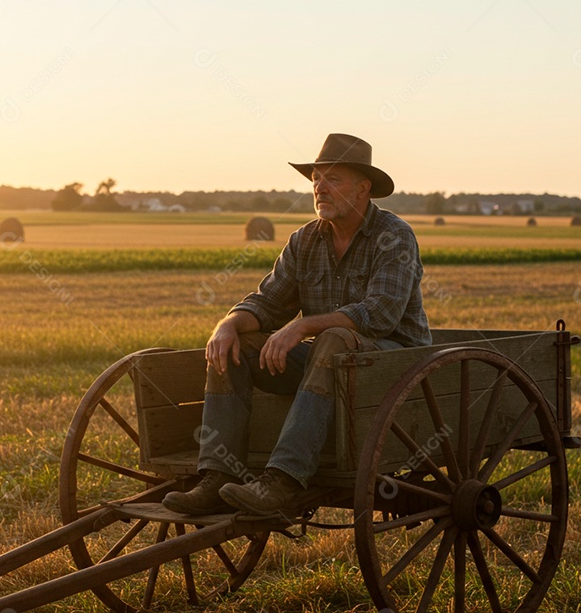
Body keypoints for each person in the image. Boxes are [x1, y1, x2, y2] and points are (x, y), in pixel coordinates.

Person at [162, 133, 431, 516]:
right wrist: (228, 324)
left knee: (335, 338)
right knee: (238, 343)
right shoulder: (305, 240)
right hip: (328, 364)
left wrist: (302, 328)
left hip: (393, 366)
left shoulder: (394, 236)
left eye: (333, 179)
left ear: (363, 188)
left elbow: (380, 314)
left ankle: (283, 481)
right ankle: (219, 476)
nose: (320, 188)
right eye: (316, 179)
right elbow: (268, 302)